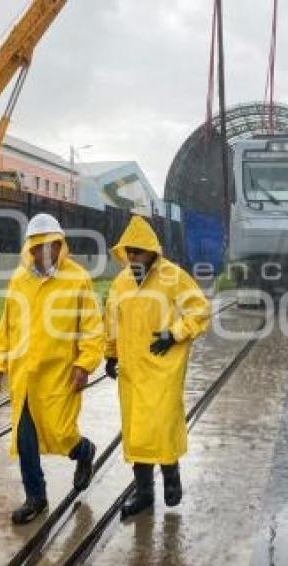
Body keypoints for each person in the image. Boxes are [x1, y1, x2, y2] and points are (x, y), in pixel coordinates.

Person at [0, 213, 104, 525]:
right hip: (25, 376)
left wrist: (84, 364)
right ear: (31, 249)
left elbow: (92, 327)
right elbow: (7, 324)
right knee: (25, 438)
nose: (45, 252)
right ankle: (35, 497)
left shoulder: (77, 278)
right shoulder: (19, 280)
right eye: (38, 246)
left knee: (61, 432)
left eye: (51, 245)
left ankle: (84, 451)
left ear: (60, 245)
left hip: (60, 374)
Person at [104, 215, 210, 519]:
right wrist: (110, 354)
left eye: (138, 250)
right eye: (129, 251)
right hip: (132, 369)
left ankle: (171, 474)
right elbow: (112, 320)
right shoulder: (121, 282)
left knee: (161, 424)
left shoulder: (173, 276)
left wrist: (174, 334)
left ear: (152, 250)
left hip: (164, 366)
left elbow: (200, 310)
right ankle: (144, 491)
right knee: (137, 429)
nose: (133, 256)